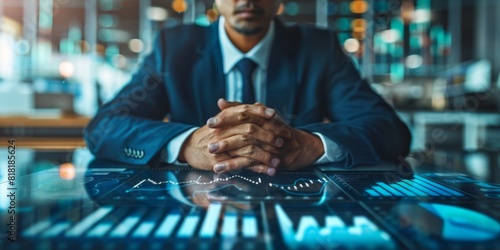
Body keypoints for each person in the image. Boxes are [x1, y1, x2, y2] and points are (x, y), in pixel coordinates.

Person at [84, 0, 411, 176]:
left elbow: (391, 132)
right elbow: (104, 128)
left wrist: (310, 145)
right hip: (198, 211)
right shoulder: (176, 47)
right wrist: (187, 145)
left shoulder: (318, 49)